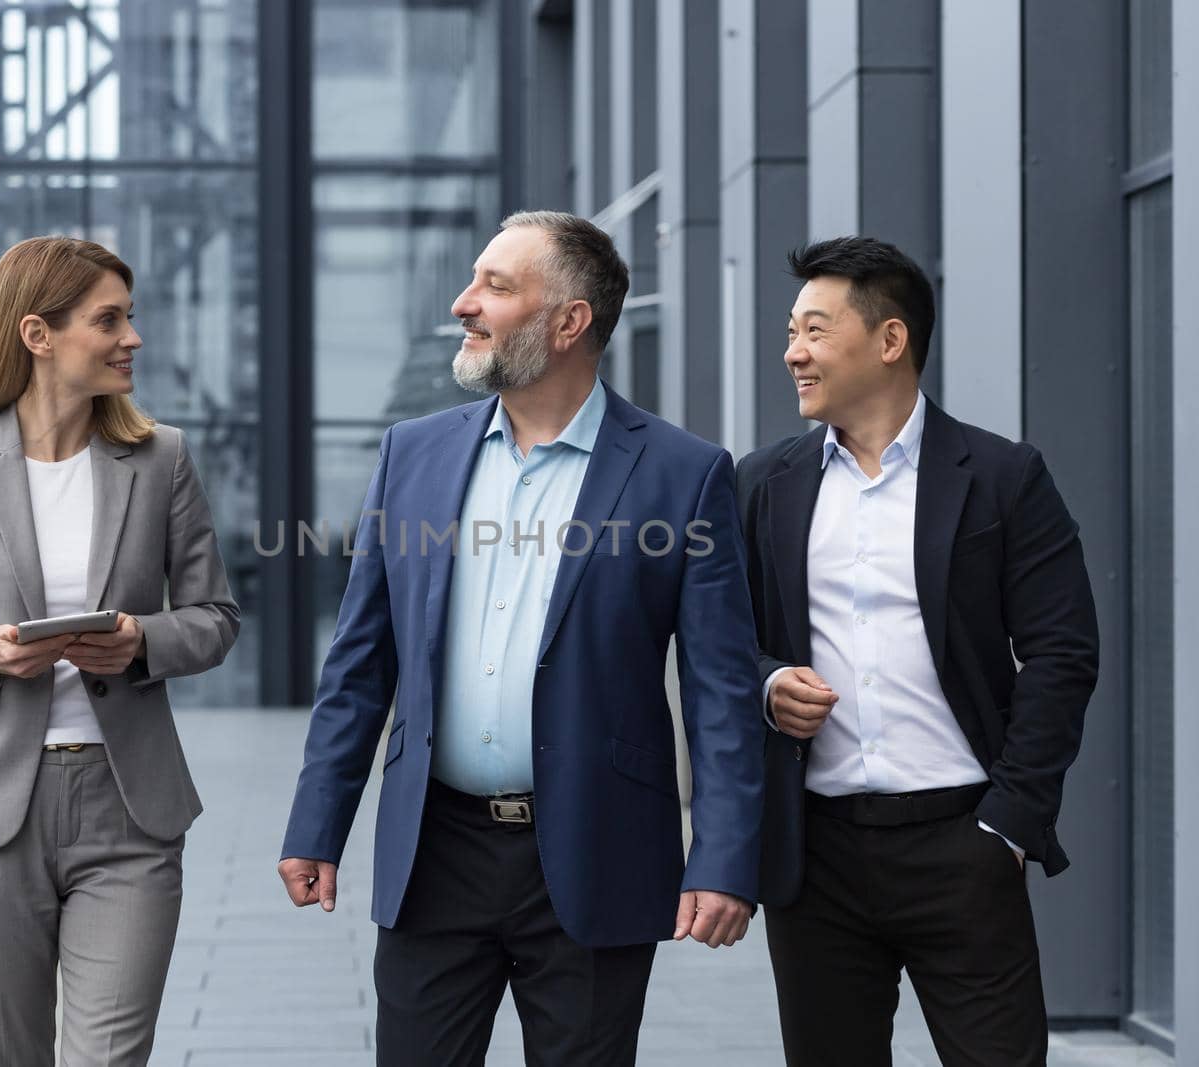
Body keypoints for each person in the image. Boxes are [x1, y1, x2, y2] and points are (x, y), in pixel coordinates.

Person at [277, 211, 764, 1066]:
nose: (466, 303)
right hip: (436, 852)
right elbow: (360, 661)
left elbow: (720, 689)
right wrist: (318, 821)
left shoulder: (685, 475)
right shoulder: (412, 455)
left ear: (569, 321)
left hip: (598, 848)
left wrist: (722, 855)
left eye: (497, 287)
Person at [0, 236, 240, 1066]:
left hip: (131, 808)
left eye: (130, 317)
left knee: (107, 1057)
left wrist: (144, 640)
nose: (132, 338)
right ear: (38, 334)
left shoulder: (163, 459)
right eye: (108, 320)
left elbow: (216, 615)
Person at [736, 236, 1101, 1066]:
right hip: (817, 857)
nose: (792, 352)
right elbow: (727, 643)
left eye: (815, 331)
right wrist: (766, 684)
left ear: (891, 339)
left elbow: (1062, 652)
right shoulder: (763, 484)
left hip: (963, 844)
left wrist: (1008, 825)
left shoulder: (1005, 477)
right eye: (791, 331)